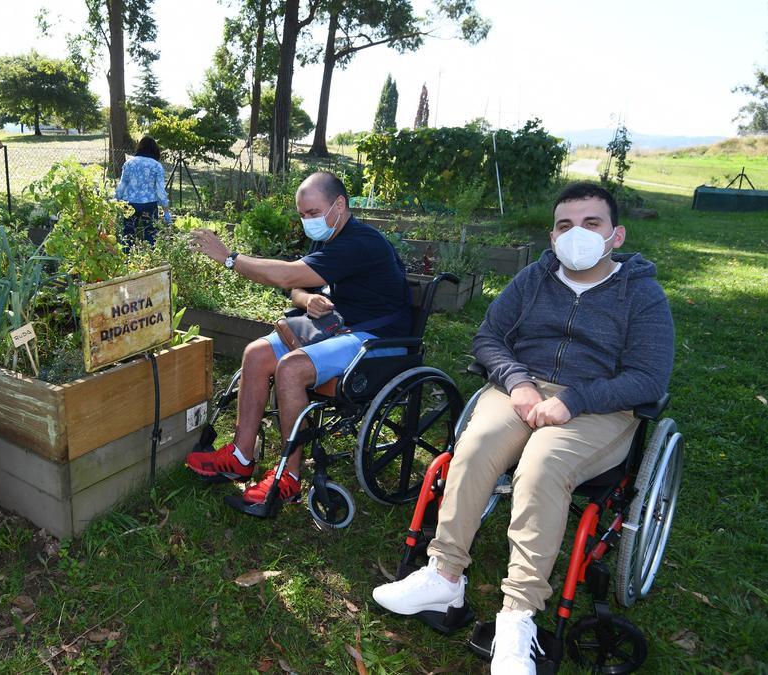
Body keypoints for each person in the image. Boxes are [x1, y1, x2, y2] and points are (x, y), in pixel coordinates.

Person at [370, 182, 674, 674]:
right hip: (522, 390)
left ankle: (517, 615)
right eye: (564, 225)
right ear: (552, 237)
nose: (577, 234)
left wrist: (575, 399)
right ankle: (444, 574)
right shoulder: (535, 278)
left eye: (591, 223)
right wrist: (519, 383)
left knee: (540, 468)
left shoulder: (642, 294)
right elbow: (489, 336)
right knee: (474, 448)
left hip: (599, 405)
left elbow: (648, 377)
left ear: (616, 235)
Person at [183, 171, 412, 505]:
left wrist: (230, 259)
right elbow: (297, 289)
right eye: (303, 215)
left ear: (339, 204)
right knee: (256, 353)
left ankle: (288, 477)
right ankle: (241, 456)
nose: (308, 221)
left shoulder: (362, 242)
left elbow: (289, 275)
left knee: (290, 368)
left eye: (313, 213)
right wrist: (307, 300)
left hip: (375, 337)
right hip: (337, 326)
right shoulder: (328, 238)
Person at [115, 136, 172, 245]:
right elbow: (160, 190)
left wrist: (116, 200)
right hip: (149, 204)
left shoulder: (129, 164)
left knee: (128, 233)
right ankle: (151, 259)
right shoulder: (156, 165)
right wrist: (166, 211)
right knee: (151, 233)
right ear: (154, 149)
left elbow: (122, 185)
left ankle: (126, 258)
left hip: (129, 203)